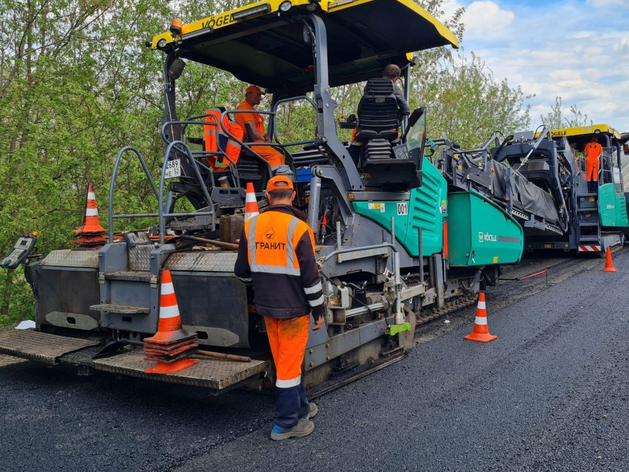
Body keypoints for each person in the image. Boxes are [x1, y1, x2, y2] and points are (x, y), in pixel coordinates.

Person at [234, 175, 325, 441]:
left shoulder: (251, 226)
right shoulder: (299, 228)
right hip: (294, 309)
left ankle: (300, 409)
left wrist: (263, 283)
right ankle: (285, 424)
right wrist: (318, 310)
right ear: (292, 195)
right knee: (288, 365)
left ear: (268, 195)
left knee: (286, 360)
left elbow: (242, 271)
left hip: (267, 307)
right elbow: (310, 278)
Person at [236, 85, 285, 169]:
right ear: (249, 94)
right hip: (253, 143)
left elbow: (258, 129)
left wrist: (266, 137)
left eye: (260, 96)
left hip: (259, 142)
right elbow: (253, 131)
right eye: (257, 95)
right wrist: (264, 141)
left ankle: (284, 179)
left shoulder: (252, 110)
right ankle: (278, 181)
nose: (260, 98)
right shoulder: (244, 108)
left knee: (281, 154)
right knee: (275, 156)